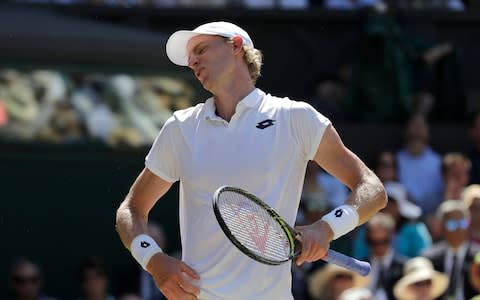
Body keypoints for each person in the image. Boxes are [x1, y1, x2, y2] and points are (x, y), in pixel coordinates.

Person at [115, 21, 387, 300]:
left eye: (201, 49)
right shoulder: (181, 127)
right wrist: (154, 261)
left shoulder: (295, 118)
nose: (192, 60)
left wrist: (327, 227)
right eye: (190, 57)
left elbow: (372, 190)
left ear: (235, 46)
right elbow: (131, 210)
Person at [421, 200, 480, 300]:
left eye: (462, 223)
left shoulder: (478, 257)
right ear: (442, 227)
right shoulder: (430, 257)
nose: (458, 228)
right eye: (452, 224)